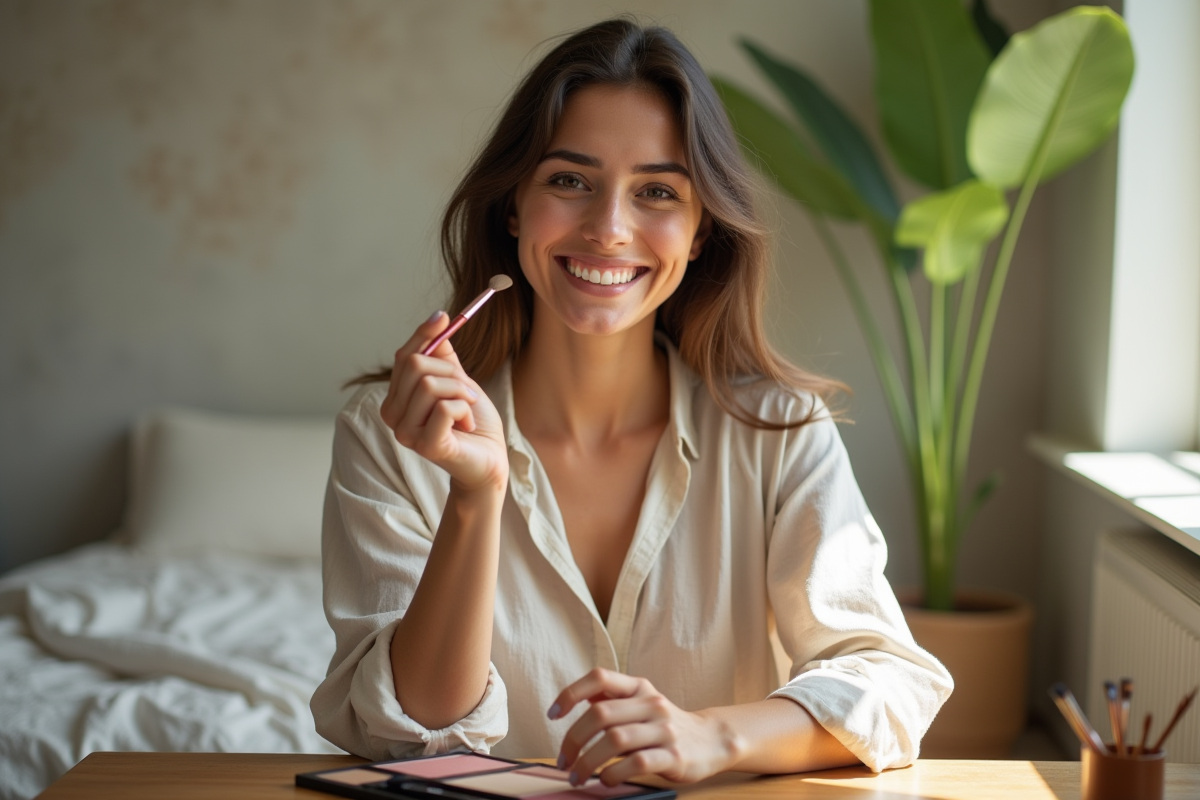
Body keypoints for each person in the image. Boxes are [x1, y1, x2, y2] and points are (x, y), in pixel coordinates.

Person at [311, 17, 951, 786]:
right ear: (513, 205)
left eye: (656, 191)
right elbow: (413, 733)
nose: (609, 229)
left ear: (700, 229)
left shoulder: (780, 434)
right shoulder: (388, 435)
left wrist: (711, 737)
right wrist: (476, 496)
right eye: (569, 180)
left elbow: (888, 682)